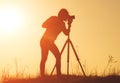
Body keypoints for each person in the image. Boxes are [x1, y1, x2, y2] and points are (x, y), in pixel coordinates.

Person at [40, 8, 70, 77]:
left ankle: (58, 75)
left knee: (58, 56)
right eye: (65, 15)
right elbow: (43, 25)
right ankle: (42, 76)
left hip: (50, 42)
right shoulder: (53, 18)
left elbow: (66, 33)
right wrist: (53, 24)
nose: (66, 17)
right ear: (62, 15)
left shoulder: (62, 24)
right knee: (44, 57)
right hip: (44, 40)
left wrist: (69, 25)